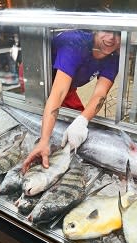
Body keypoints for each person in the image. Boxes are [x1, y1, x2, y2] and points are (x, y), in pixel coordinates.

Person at [22, 29, 121, 173]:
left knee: (79, 119)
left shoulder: (114, 56)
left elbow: (100, 93)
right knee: (39, 119)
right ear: (95, 29)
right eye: (106, 30)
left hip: (67, 84)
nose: (112, 38)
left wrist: (82, 120)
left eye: (118, 34)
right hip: (37, 79)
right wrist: (44, 141)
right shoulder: (75, 43)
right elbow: (58, 93)